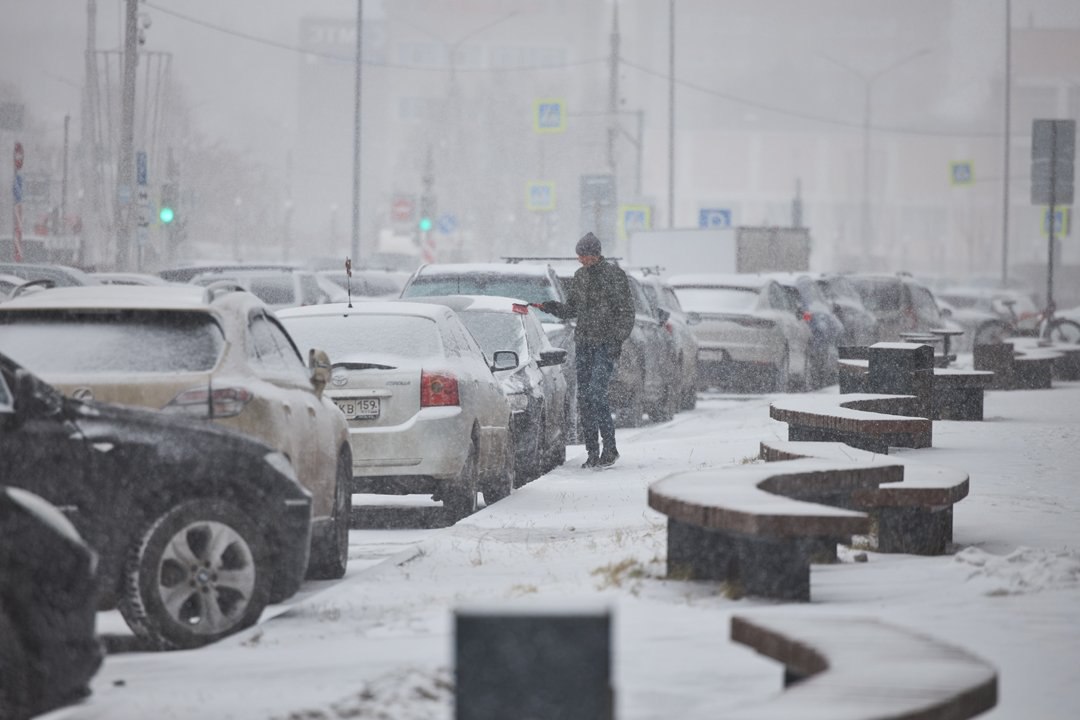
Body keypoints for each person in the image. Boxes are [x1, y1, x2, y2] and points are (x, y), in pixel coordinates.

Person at [538, 232, 635, 468]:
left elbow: (626, 313)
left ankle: (610, 449)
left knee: (596, 394)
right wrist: (550, 307)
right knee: (584, 398)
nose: (581, 260)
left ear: (595, 254)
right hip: (584, 344)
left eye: (584, 256)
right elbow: (571, 309)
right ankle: (592, 452)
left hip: (605, 345)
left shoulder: (614, 276)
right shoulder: (580, 277)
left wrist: (615, 341)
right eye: (579, 256)